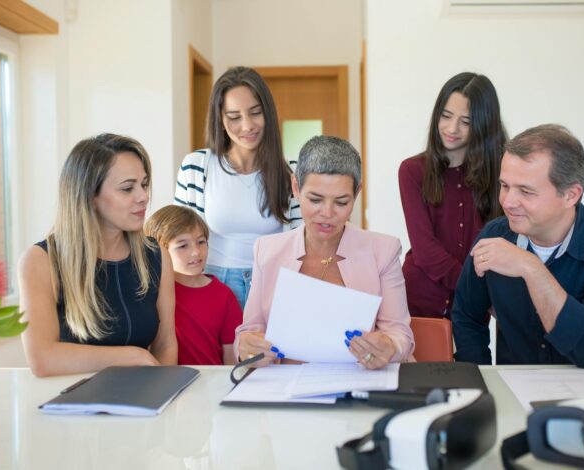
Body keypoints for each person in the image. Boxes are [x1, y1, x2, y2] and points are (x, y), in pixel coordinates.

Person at [452, 124, 584, 368]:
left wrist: (530, 267)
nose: (508, 202)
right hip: (518, 393)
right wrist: (482, 382)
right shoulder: (493, 235)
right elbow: (467, 316)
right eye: (505, 186)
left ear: (571, 195)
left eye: (525, 191)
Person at [235, 136, 415, 369]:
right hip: (284, 389)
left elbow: (401, 335)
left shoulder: (383, 251)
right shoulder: (267, 251)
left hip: (360, 386)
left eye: (341, 202)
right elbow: (249, 332)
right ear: (296, 188)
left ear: (356, 193)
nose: (327, 213)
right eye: (315, 199)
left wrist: (390, 347)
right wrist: (246, 346)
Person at [18, 134, 177, 377]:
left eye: (144, 184)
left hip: (142, 405)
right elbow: (43, 358)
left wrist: (159, 393)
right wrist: (132, 356)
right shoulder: (39, 261)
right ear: (89, 197)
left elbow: (165, 344)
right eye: (127, 188)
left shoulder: (157, 256)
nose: (143, 196)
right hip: (68, 407)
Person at [174, 66, 301, 310]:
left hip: (273, 286)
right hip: (212, 284)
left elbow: (301, 241)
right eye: (234, 117)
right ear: (220, 120)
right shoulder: (197, 167)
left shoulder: (292, 172)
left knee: (266, 351)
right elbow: (176, 239)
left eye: (255, 113)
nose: (247, 126)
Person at [399, 72, 506, 318]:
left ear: (482, 124)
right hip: (419, 301)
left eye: (466, 121)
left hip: (470, 309)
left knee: (472, 358)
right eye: (445, 116)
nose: (451, 128)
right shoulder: (412, 171)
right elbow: (425, 250)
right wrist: (477, 289)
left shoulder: (500, 174)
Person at [145, 205, 242, 365]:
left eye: (201, 242)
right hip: (168, 384)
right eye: (183, 245)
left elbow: (231, 359)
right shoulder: (151, 296)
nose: (196, 252)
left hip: (214, 385)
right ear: (158, 251)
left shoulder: (224, 295)